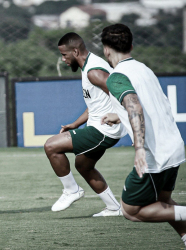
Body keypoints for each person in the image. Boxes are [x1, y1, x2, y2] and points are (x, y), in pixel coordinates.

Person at [100, 23, 186, 246]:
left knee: (131, 210)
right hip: (173, 147)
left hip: (154, 155)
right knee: (163, 202)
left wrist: (139, 148)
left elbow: (134, 106)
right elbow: (149, 105)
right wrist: (118, 115)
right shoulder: (143, 68)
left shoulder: (116, 77)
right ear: (131, 45)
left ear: (106, 49)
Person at [44, 32, 127, 217]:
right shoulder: (89, 67)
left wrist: (123, 117)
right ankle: (114, 208)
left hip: (104, 130)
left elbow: (122, 93)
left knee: (51, 146)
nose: (63, 59)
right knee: (83, 165)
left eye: (64, 55)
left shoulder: (94, 71)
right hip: (99, 127)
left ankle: (72, 190)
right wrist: (75, 124)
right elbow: (96, 105)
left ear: (75, 51)